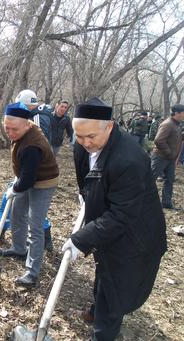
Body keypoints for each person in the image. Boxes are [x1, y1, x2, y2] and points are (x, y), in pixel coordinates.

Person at [62, 97, 167, 341]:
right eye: (79, 136)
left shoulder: (130, 159)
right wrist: (84, 197)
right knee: (103, 267)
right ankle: (96, 310)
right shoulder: (82, 146)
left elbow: (122, 215)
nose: (85, 143)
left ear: (109, 127)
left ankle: (103, 334)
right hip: (108, 225)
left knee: (115, 287)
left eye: (91, 137)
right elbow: (86, 179)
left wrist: (82, 239)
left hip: (135, 236)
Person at [0, 102, 59, 287]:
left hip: (43, 182)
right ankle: (19, 248)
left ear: (26, 124)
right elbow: (26, 174)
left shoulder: (33, 145)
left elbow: (29, 180)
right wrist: (17, 183)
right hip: (26, 176)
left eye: (14, 129)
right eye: (7, 128)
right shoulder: (22, 130)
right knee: (16, 212)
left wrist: (14, 188)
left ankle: (32, 272)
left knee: (35, 225)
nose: (10, 133)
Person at [151, 104, 184, 209]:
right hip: (161, 157)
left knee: (169, 180)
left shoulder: (176, 125)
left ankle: (166, 204)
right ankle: (140, 201)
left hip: (170, 159)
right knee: (150, 179)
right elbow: (158, 140)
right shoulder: (168, 124)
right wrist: (169, 153)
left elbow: (175, 138)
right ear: (177, 113)